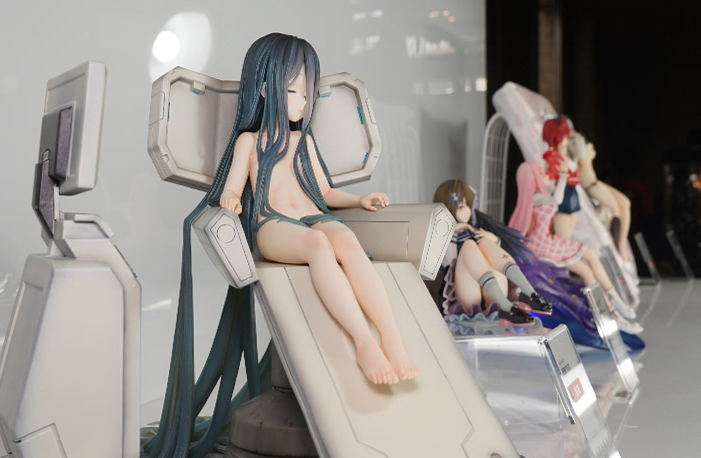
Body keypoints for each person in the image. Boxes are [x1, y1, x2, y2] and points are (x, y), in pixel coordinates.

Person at [211, 33, 417, 385]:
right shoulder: (250, 142)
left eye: (307, 95)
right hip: (274, 222)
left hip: (314, 216)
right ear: (266, 90)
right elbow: (232, 186)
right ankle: (364, 342)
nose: (303, 103)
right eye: (294, 91)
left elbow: (324, 191)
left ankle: (391, 337)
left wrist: (358, 200)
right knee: (319, 245)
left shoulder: (303, 141)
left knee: (347, 241)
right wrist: (230, 198)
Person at [509, 161, 641, 333]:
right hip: (544, 245)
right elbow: (557, 199)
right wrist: (563, 176)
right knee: (590, 256)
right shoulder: (535, 198)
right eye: (540, 173)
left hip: (546, 242)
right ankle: (614, 307)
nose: (544, 175)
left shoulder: (535, 196)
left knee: (587, 270)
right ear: (532, 179)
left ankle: (613, 308)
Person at [433, 178, 550, 324]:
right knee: (469, 245)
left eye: (468, 205)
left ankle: (529, 294)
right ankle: (507, 306)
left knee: (485, 242)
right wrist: (449, 232)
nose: (467, 210)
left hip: (494, 297)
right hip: (468, 296)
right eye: (461, 206)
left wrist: (495, 241)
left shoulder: (477, 231)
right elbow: (439, 260)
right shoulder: (440, 237)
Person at [567, 132, 633, 260]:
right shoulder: (576, 144)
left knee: (625, 203)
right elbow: (581, 157)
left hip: (594, 181)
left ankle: (622, 243)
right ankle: (619, 246)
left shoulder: (580, 142)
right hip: (590, 184)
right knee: (615, 210)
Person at [542, 115, 581, 239]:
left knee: (569, 235)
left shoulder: (566, 155)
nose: (565, 141)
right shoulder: (552, 157)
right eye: (562, 137)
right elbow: (550, 174)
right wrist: (545, 178)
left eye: (566, 137)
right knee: (564, 238)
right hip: (562, 195)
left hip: (573, 194)